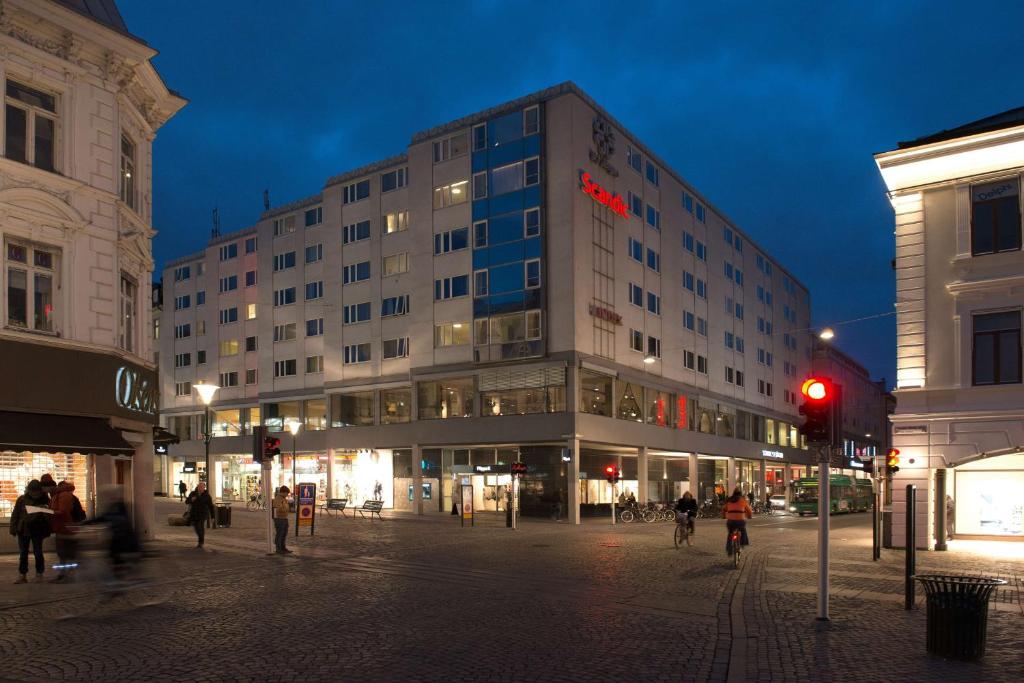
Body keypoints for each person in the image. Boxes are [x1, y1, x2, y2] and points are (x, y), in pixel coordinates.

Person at [9, 480, 52, 584]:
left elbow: (50, 514)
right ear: (29, 490)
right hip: (23, 529)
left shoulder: (45, 499)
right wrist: (13, 528)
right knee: (23, 553)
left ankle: (39, 574)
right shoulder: (21, 499)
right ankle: (22, 575)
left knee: (38, 552)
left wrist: (44, 511)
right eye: (32, 491)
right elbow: (15, 514)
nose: (34, 494)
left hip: (37, 529)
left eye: (36, 492)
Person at [49, 480, 84, 581]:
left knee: (66, 553)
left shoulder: (64, 496)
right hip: (65, 528)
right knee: (65, 553)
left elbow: (63, 511)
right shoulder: (63, 496)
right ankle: (66, 574)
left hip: (67, 528)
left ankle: (67, 574)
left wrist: (50, 511)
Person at [722, 487, 753, 555]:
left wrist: (724, 516)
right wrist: (749, 516)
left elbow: (724, 509)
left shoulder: (729, 500)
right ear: (740, 494)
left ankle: (729, 548)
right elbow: (749, 511)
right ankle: (742, 543)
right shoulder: (743, 500)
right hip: (740, 521)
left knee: (730, 533)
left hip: (730, 521)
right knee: (743, 530)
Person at [185, 483, 215, 549]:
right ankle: (201, 540)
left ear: (204, 488)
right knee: (197, 528)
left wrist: (212, 517)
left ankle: (200, 542)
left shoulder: (207, 496)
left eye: (202, 487)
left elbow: (211, 506)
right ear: (197, 487)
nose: (200, 488)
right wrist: (191, 500)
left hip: (203, 514)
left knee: (199, 526)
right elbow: (186, 501)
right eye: (199, 487)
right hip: (194, 513)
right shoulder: (193, 493)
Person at [273, 486, 291, 554]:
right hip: (279, 518)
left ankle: (283, 548)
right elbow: (278, 508)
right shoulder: (278, 499)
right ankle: (278, 548)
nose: (287, 495)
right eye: (286, 493)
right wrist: (286, 509)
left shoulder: (284, 498)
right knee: (280, 534)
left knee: (284, 533)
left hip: (284, 518)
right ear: (283, 492)